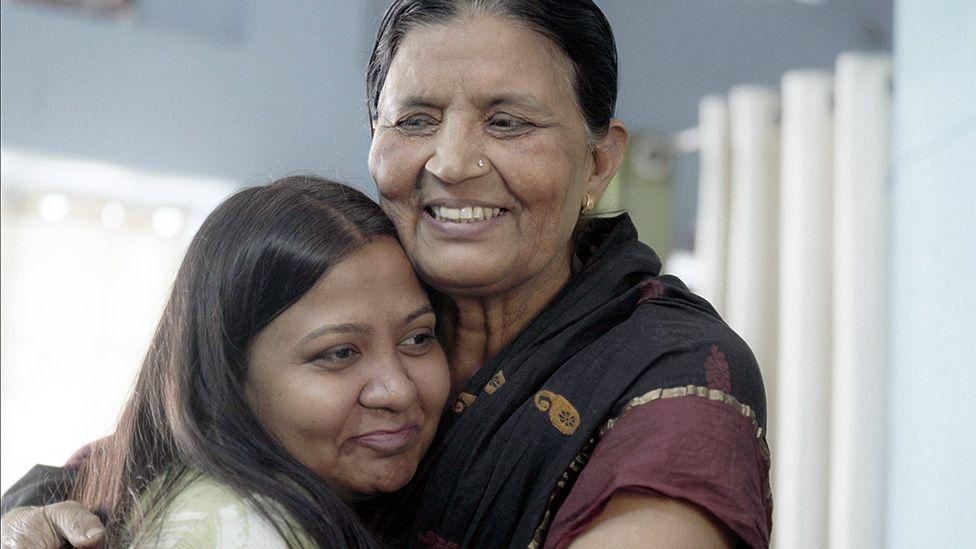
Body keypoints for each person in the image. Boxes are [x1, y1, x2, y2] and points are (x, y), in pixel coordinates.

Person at [3, 1, 772, 547]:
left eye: (508, 121)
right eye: (415, 119)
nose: (453, 163)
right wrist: (35, 512)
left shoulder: (674, 372)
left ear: (600, 160)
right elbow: (185, 435)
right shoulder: (367, 287)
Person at [1, 176, 451, 548]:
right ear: (227, 377)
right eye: (339, 353)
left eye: (417, 338)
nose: (399, 389)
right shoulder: (238, 527)